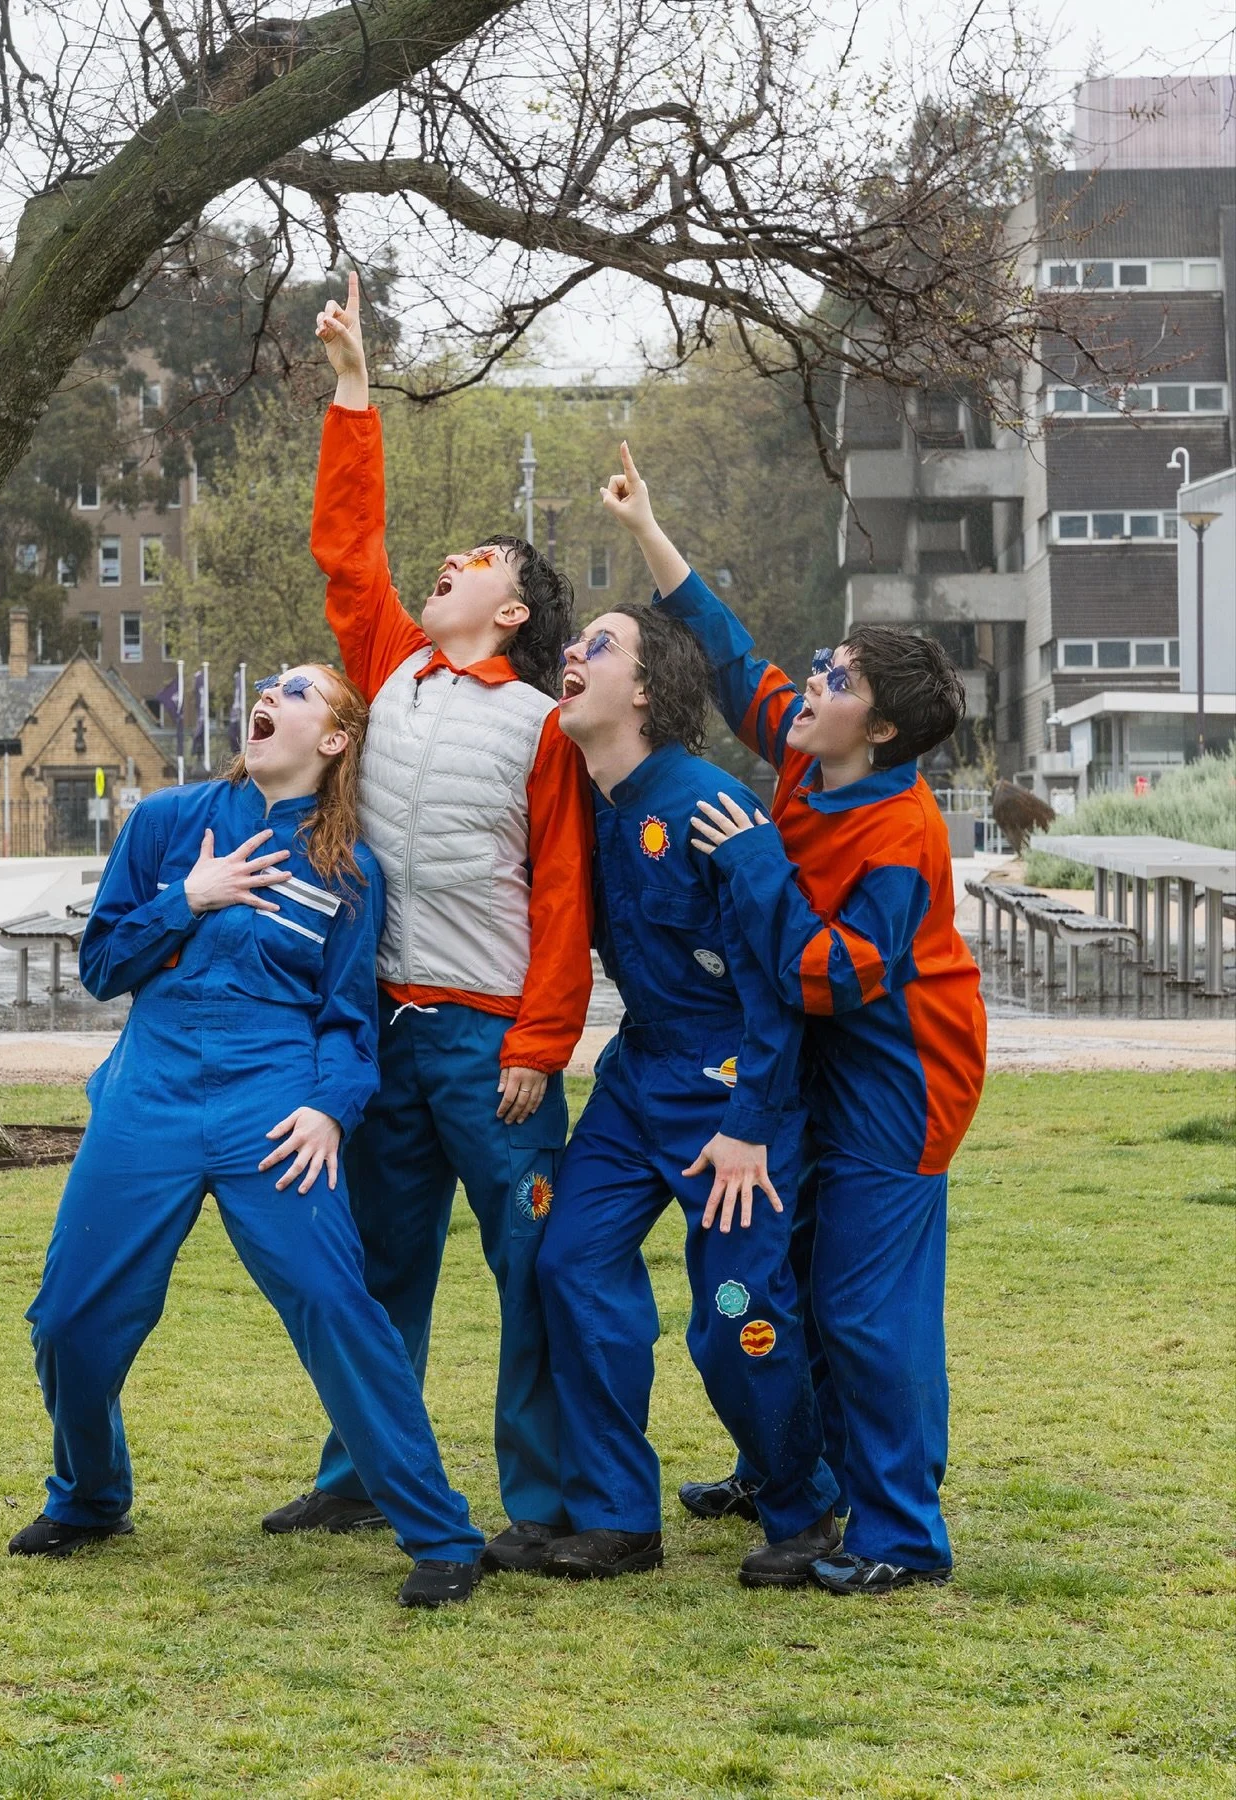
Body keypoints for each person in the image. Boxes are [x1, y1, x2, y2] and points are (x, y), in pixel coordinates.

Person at [10, 664, 486, 1609]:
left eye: (299, 691)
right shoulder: (164, 824)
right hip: (149, 1091)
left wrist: (329, 1110)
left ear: (337, 739)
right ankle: (92, 1496)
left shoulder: (349, 868)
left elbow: (350, 1023)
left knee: (335, 1306)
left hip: (275, 1103)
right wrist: (188, 895)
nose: (271, 695)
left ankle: (440, 1533)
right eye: (267, 686)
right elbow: (102, 964)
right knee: (70, 1319)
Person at [602, 443, 987, 1595]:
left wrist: (763, 870)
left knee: (868, 1313)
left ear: (879, 730)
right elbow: (730, 662)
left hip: (900, 1086)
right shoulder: (807, 759)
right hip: (820, 1071)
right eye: (823, 669)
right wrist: (648, 528)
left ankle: (901, 1539)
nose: (811, 687)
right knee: (792, 1282)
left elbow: (829, 979)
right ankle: (794, 1469)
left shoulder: (897, 832)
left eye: (839, 681)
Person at [262, 275, 594, 1574]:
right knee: (376, 1264)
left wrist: (541, 1042)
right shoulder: (390, 661)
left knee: (531, 1269)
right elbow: (348, 547)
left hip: (493, 1045)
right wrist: (355, 388)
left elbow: (566, 894)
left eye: (478, 565)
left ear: (510, 612)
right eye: (449, 560)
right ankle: (362, 1472)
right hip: (385, 1038)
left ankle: (548, 1499)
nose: (448, 565)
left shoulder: (544, 723)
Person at [529, 604, 840, 1582]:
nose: (574, 653)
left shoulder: (712, 807)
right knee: (569, 1264)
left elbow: (782, 982)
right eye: (575, 642)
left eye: (600, 645)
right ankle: (621, 1518)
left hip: (736, 1090)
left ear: (649, 690)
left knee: (733, 1317)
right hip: (636, 1078)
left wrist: (752, 1126)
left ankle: (802, 1505)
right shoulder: (585, 805)